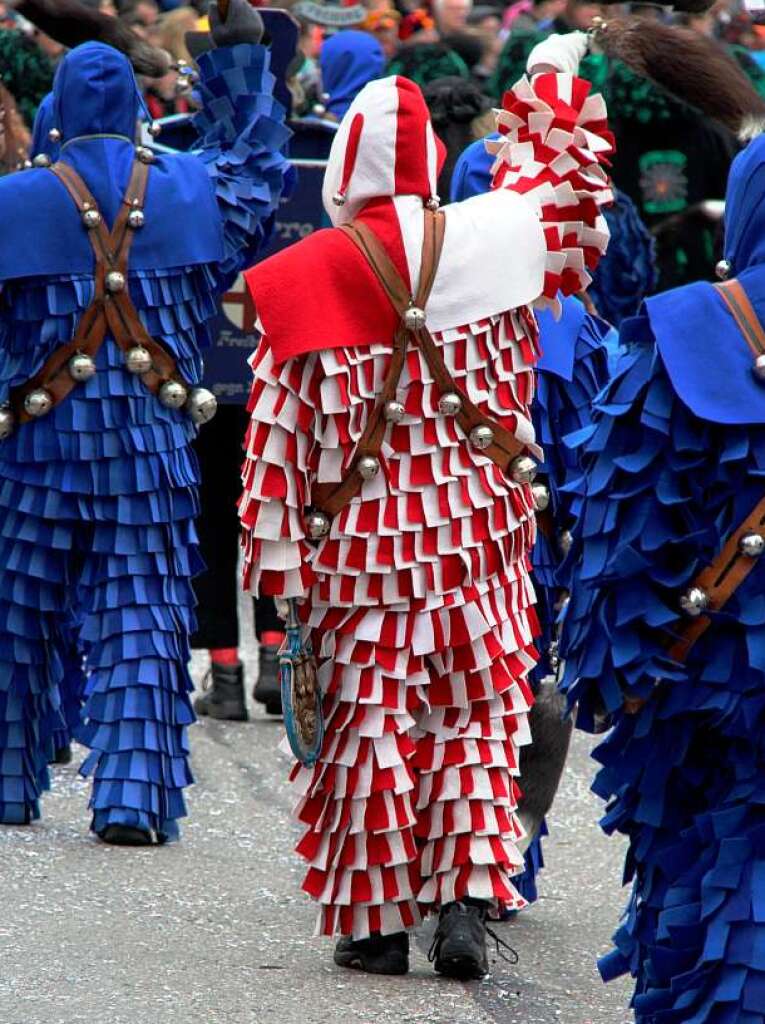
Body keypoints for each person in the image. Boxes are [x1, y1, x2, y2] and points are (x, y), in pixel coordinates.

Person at [239, 30, 612, 977]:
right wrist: (548, 77)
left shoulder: (300, 276)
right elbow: (562, 187)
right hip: (483, 535)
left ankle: (371, 925)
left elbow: (275, 450)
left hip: (361, 552)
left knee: (366, 725)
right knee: (473, 720)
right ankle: (457, 905)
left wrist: (280, 580)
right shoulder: (495, 237)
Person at [0, 0, 291, 844]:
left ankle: (10, 777)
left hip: (34, 445)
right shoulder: (191, 187)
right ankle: (128, 796)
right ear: (136, 110)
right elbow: (255, 167)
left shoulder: (12, 200)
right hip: (150, 446)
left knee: (17, 614)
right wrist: (238, 63)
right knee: (140, 614)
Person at [559, 114, 765, 1023]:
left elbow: (616, 523)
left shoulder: (678, 330)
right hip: (706, 665)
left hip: (696, 670)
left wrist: (608, 681)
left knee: (695, 889)